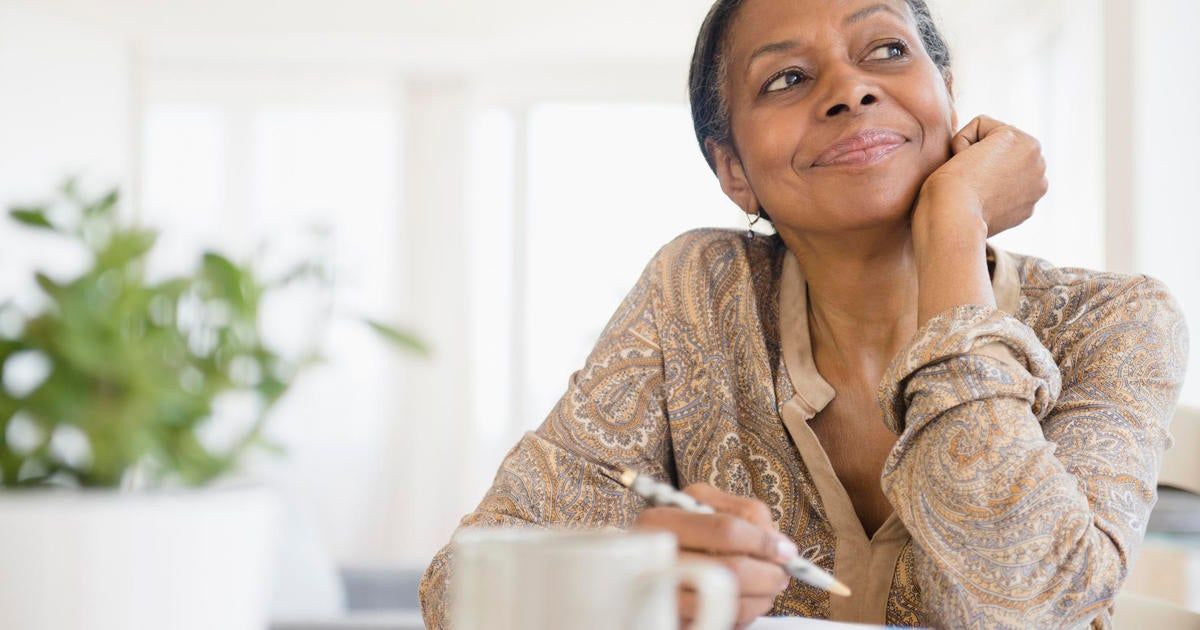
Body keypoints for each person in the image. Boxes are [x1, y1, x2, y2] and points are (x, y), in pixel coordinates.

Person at [419, 0, 1190, 627]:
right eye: (786, 78)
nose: (849, 90)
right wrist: (630, 576)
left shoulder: (1111, 320)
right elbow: (459, 590)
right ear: (733, 172)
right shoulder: (695, 291)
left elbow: (1038, 605)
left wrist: (955, 223)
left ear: (947, 94)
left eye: (886, 50)